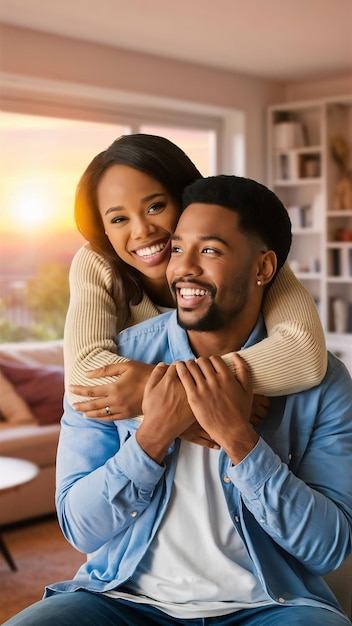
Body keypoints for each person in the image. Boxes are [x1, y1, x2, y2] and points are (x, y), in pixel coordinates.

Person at [6, 175, 352, 626]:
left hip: (269, 608)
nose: (183, 268)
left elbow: (328, 549)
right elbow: (80, 528)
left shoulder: (322, 381)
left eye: (209, 250)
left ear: (264, 268)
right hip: (122, 601)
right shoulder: (110, 368)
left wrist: (239, 440)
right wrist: (150, 438)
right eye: (177, 249)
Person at [63, 134, 327, 426]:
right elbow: (83, 379)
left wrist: (167, 393)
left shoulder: (250, 260)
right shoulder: (98, 260)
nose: (141, 231)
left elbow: (305, 354)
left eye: (155, 207)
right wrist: (194, 405)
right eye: (118, 219)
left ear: (186, 198)